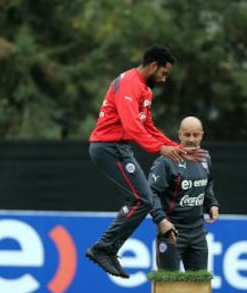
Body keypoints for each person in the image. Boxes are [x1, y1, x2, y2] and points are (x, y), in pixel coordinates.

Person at [86, 44, 207, 279]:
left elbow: (147, 126)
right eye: (163, 73)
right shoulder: (129, 84)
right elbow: (132, 127)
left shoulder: (145, 90)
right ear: (154, 66)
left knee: (141, 199)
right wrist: (160, 149)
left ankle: (106, 248)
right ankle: (104, 248)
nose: (163, 79)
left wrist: (176, 147)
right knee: (143, 199)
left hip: (119, 148)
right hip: (107, 148)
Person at [148, 116, 219, 272]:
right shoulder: (166, 161)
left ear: (202, 135)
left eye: (195, 135)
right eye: (187, 135)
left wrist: (212, 204)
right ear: (180, 135)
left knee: (198, 287)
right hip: (172, 232)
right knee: (168, 286)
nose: (191, 139)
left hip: (198, 232)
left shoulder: (205, 158)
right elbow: (150, 193)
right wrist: (161, 220)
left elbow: (208, 184)